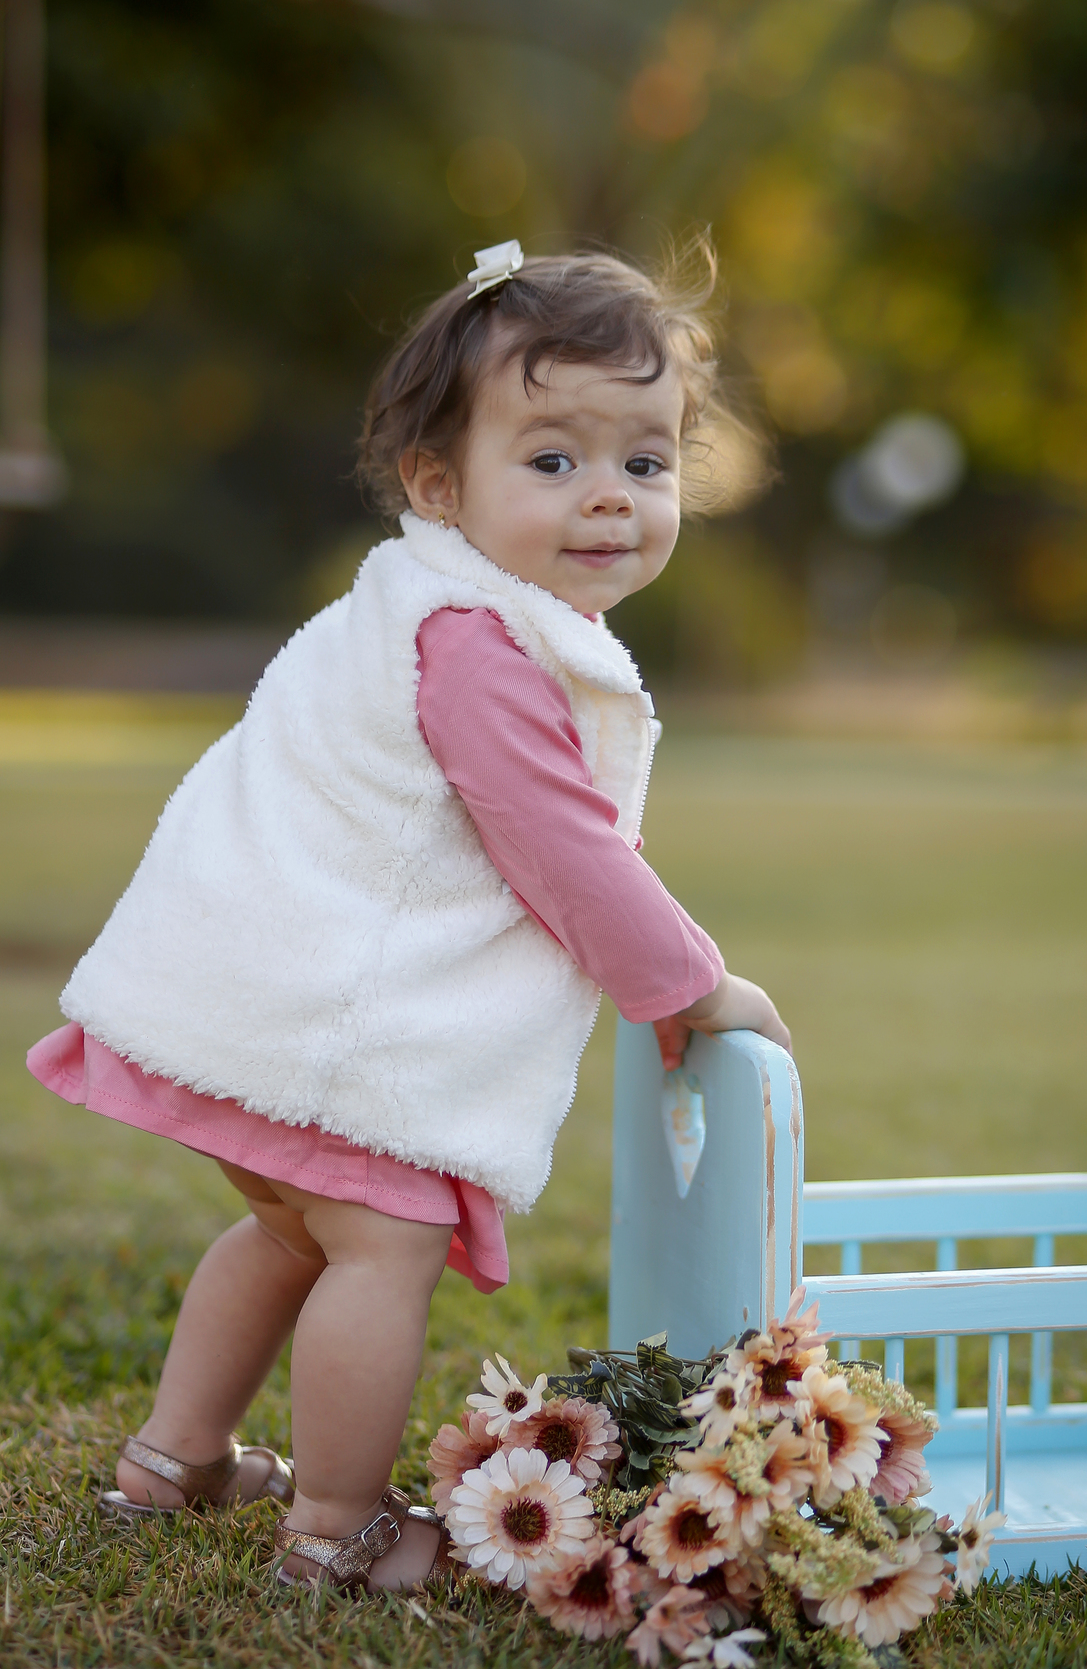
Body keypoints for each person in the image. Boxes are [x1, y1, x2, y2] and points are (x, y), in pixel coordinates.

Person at [26, 241, 791, 1593]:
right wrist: (687, 985)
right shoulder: (476, 646)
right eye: (551, 459)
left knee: (287, 1234)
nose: (608, 495)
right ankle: (340, 1527)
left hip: (264, 1002)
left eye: (646, 461)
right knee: (383, 1253)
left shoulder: (427, 609)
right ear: (440, 484)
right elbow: (564, 851)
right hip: (338, 1028)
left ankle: (172, 1459)